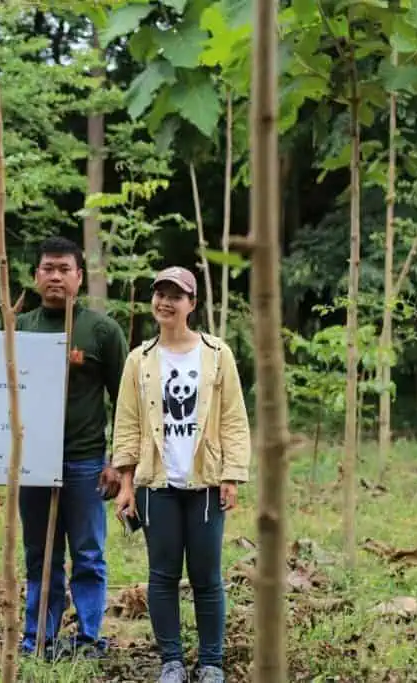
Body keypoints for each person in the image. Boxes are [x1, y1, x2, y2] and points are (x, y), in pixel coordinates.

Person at [111, 266, 251, 683]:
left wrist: (232, 474)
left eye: (176, 295)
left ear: (192, 303)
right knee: (162, 575)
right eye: (160, 294)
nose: (165, 302)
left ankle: (211, 663)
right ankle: (170, 661)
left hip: (205, 481)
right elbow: (128, 423)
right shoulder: (140, 359)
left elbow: (233, 419)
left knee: (207, 576)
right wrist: (125, 484)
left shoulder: (216, 353)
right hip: (157, 484)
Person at [9, 235, 128, 658]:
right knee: (40, 555)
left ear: (80, 277)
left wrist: (119, 462)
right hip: (32, 463)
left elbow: (127, 400)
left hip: (85, 462)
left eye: (65, 269)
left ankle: (90, 637)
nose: (56, 276)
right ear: (36, 276)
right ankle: (37, 638)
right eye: (48, 269)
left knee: (88, 554)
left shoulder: (101, 331)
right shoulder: (18, 328)